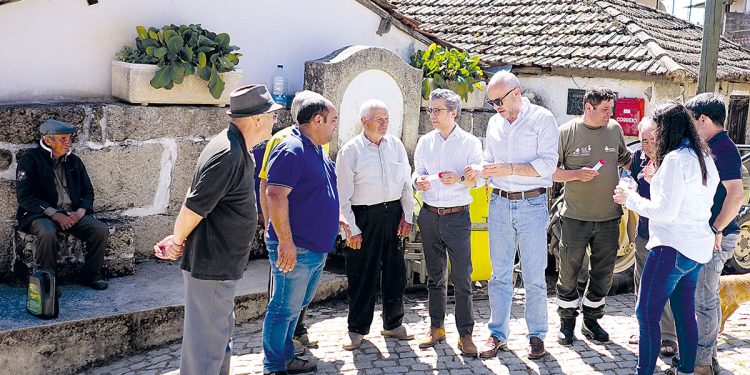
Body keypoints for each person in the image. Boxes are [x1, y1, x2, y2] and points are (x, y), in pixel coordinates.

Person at [153, 85, 281, 375]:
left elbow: (194, 191)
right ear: (257, 119)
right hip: (211, 265)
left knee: (217, 342)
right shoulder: (228, 152)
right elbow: (194, 205)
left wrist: (178, 236)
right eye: (272, 114)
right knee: (206, 351)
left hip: (220, 265)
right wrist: (177, 239)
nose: (276, 120)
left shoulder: (233, 147)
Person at [614, 101, 719, 375]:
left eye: (656, 130)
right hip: (696, 248)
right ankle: (686, 370)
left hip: (671, 247)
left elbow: (665, 211)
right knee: (685, 315)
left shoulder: (674, 158)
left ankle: (643, 371)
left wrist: (631, 198)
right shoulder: (703, 156)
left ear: (666, 128)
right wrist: (657, 177)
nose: (654, 137)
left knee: (646, 314)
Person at [467, 71, 558, 360]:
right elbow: (489, 161)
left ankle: (536, 336)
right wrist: (478, 171)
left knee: (534, 276)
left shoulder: (543, 119)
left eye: (499, 100)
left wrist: (510, 168)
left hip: (532, 203)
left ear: (516, 93)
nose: (495, 107)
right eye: (491, 102)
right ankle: (497, 334)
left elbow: (547, 165)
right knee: (499, 275)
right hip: (499, 202)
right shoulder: (494, 123)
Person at [263, 94, 348, 375]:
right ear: (317, 120)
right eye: (333, 120)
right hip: (296, 248)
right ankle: (275, 366)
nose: (336, 125)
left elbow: (318, 190)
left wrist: (337, 216)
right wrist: (285, 242)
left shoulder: (315, 149)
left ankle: (286, 357)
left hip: (314, 247)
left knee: (295, 306)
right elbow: (275, 194)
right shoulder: (292, 149)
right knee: (283, 308)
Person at [552, 86, 632, 345]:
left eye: (612, 108)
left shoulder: (615, 129)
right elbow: (550, 172)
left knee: (603, 274)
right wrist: (576, 174)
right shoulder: (566, 132)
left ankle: (592, 320)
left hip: (609, 218)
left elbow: (626, 160)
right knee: (568, 272)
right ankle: (567, 322)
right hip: (575, 217)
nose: (611, 113)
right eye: (605, 109)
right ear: (589, 108)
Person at [336, 99, 414, 350]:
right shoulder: (351, 151)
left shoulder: (396, 145)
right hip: (363, 216)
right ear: (364, 122)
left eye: (386, 117)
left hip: (392, 213)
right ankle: (357, 328)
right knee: (361, 273)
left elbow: (405, 183)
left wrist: (407, 215)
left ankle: (393, 324)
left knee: (395, 272)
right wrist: (352, 229)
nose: (384, 122)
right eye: (379, 118)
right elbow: (342, 196)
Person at [414, 88, 482, 357]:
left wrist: (460, 179)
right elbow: (417, 172)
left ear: (454, 112)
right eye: (430, 110)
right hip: (429, 214)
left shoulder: (470, 143)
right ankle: (436, 327)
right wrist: (416, 181)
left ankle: (465, 334)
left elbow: (478, 180)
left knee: (463, 278)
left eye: (438, 110)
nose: (432, 115)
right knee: (434, 277)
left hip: (457, 215)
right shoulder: (425, 142)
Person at [258, 90, 326, 355]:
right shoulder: (284, 141)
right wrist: (270, 226)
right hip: (289, 238)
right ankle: (279, 354)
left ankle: (296, 333)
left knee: (298, 298)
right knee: (283, 299)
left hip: (311, 238)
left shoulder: (318, 142)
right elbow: (268, 185)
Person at [686, 93, 745, 375]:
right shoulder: (714, 146)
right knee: (703, 297)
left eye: (691, 121)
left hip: (717, 236)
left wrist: (715, 228)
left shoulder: (724, 148)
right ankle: (707, 360)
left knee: (705, 299)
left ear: (703, 120)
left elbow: (736, 195)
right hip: (709, 234)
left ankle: (701, 366)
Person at [16, 119, 109, 290]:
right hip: (41, 214)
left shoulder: (74, 161)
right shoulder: (30, 159)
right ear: (48, 140)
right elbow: (25, 196)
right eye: (63, 139)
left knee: (100, 230)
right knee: (47, 232)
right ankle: (48, 284)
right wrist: (54, 213)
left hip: (71, 213)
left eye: (69, 138)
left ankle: (91, 276)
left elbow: (88, 191)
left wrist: (80, 212)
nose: (68, 143)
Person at [629, 117, 679, 357]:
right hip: (644, 231)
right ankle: (643, 330)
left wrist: (656, 177)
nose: (648, 145)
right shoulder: (637, 156)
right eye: (643, 140)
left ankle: (669, 336)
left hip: (667, 235)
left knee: (664, 286)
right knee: (642, 283)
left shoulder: (671, 160)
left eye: (652, 140)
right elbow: (631, 181)